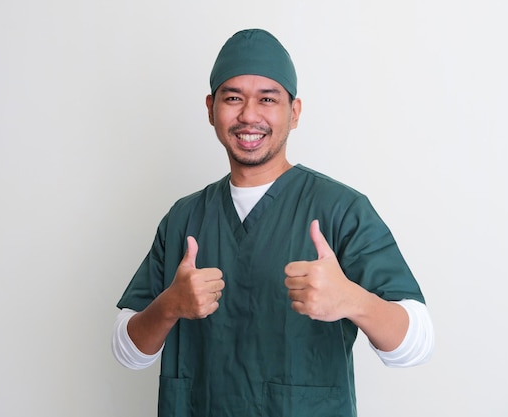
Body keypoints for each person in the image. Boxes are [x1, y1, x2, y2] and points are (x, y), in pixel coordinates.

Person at [112, 28, 434, 417]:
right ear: (211, 107)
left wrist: (352, 299)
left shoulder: (340, 209)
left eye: (268, 99)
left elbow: (416, 344)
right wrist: (169, 306)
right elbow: (128, 354)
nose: (249, 115)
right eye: (233, 98)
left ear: (294, 112)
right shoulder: (183, 218)